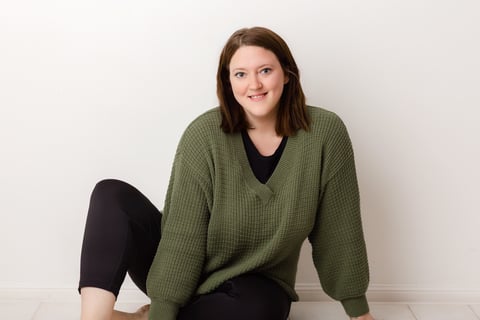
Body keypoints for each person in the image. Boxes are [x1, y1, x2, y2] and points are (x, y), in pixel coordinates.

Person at [79, 26, 375, 320]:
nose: (254, 85)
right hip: (180, 266)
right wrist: (164, 308)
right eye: (241, 74)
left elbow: (339, 228)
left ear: (287, 74)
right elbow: (183, 235)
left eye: (265, 71)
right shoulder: (203, 135)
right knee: (110, 194)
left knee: (259, 311)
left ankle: (140, 319)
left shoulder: (325, 133)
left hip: (255, 283)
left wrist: (359, 313)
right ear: (228, 82)